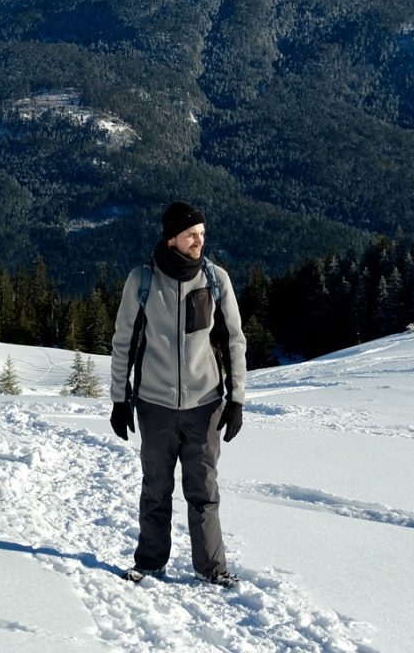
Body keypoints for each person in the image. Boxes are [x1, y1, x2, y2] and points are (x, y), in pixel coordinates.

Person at [110, 201, 248, 586]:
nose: (199, 241)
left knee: (203, 491)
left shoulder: (216, 280)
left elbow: (234, 341)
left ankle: (212, 569)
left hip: (205, 406)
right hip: (154, 404)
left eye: (202, 234)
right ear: (171, 238)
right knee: (156, 490)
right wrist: (119, 401)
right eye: (191, 235)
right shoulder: (141, 282)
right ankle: (151, 563)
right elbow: (124, 342)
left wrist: (236, 399)